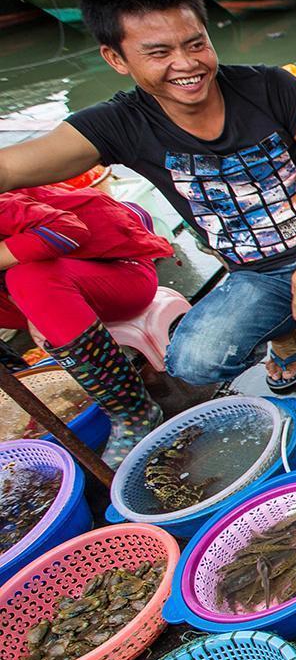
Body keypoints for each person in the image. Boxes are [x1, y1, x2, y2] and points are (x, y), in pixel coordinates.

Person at [0, 0, 296, 391]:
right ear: (116, 59)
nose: (186, 64)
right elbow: (12, 167)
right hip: (254, 275)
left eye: (196, 44)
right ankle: (290, 332)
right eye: (159, 53)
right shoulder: (121, 123)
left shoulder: (271, 86)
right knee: (192, 363)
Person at [0, 185, 173, 464]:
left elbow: (65, 230)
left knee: (27, 278)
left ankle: (134, 412)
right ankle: (36, 392)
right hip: (52, 293)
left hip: (120, 270)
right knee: (25, 284)